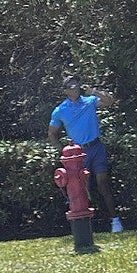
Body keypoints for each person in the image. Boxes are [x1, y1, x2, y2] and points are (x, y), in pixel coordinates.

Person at [47, 76, 123, 233]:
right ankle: (88, 226)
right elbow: (52, 134)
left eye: (76, 84)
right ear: (65, 91)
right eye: (71, 86)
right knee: (82, 189)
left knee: (103, 183)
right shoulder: (60, 110)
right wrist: (64, 151)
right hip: (78, 154)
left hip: (96, 146)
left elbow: (110, 101)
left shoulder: (89, 101)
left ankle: (115, 221)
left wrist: (94, 91)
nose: (75, 88)